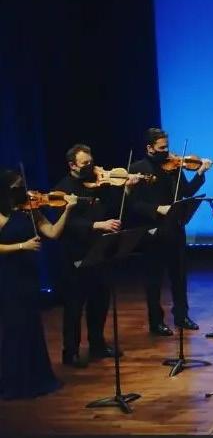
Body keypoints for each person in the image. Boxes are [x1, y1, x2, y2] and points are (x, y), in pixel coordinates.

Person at [53, 144, 140, 365]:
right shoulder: (62, 189)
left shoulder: (100, 185)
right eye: (85, 163)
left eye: (91, 162)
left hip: (100, 251)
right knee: (74, 306)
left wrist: (126, 189)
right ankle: (70, 351)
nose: (91, 166)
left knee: (100, 301)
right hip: (76, 255)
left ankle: (97, 345)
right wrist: (96, 224)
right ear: (72, 165)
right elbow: (67, 224)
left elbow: (116, 207)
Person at [0, 169, 77, 399]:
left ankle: (36, 376)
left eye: (22, 184)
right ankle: (14, 381)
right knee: (15, 328)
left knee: (32, 326)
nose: (21, 190)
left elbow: (52, 233)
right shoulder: (1, 215)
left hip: (29, 276)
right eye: (16, 186)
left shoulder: (31, 210)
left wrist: (68, 210)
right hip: (9, 277)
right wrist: (22, 246)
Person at [128, 128, 211, 335]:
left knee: (179, 276)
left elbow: (186, 192)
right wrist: (157, 208)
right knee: (153, 279)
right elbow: (133, 204)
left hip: (174, 228)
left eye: (167, 147)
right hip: (151, 232)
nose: (166, 151)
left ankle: (181, 316)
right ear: (150, 148)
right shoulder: (137, 168)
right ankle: (156, 322)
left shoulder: (173, 167)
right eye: (162, 148)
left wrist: (200, 173)